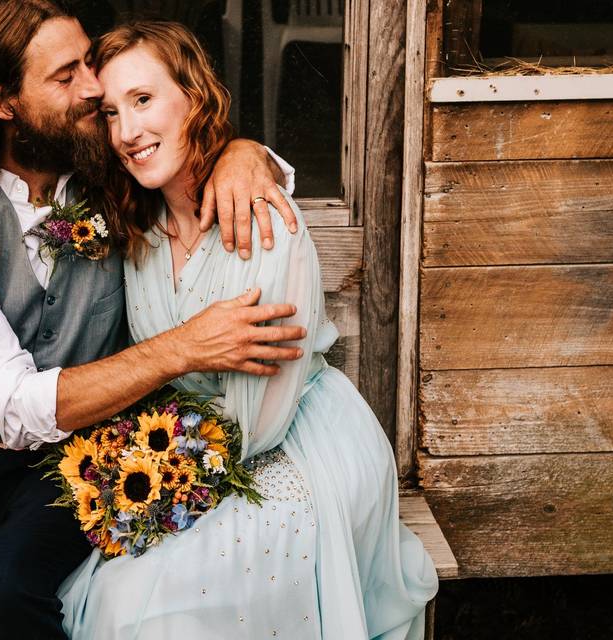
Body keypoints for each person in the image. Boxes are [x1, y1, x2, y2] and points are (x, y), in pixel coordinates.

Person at [0, 2, 304, 639]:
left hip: (81, 469)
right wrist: (179, 349)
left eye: (89, 65)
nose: (94, 89)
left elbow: (187, 149)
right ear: (1, 103)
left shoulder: (116, 174)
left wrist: (244, 153)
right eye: (66, 76)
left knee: (2, 589)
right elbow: (14, 407)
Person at [56, 22, 439, 639]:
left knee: (149, 602)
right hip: (179, 451)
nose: (127, 132)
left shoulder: (262, 222)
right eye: (110, 112)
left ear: (195, 97)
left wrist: (166, 476)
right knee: (119, 590)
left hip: (286, 444)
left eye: (144, 100)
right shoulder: (137, 230)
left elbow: (263, 416)